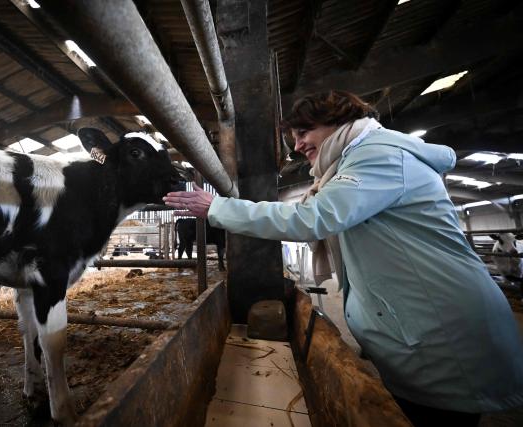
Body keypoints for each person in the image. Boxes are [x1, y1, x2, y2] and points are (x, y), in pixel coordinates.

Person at [163, 91, 523, 427]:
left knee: (436, 417)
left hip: (443, 327)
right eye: (294, 139)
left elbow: (311, 219)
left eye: (305, 132)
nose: (299, 145)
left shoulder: (378, 155)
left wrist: (219, 207)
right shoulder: (346, 167)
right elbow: (308, 212)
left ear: (337, 120)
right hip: (423, 322)